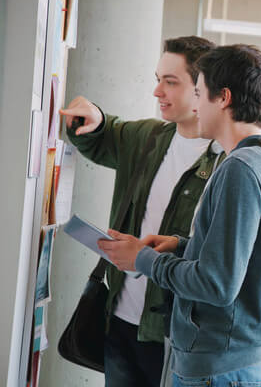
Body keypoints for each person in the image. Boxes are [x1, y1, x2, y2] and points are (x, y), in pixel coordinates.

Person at [98, 44, 261, 387]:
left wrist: (143, 261)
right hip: (231, 363)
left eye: (199, 93)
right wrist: (183, 246)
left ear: (223, 98)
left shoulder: (240, 169)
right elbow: (241, 260)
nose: (195, 105)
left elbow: (217, 284)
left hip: (220, 368)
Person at [60, 36, 220, 387]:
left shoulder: (228, 163)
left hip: (176, 337)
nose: (157, 91)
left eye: (170, 82)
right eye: (158, 78)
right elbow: (105, 134)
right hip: (118, 322)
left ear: (201, 89)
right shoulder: (148, 137)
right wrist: (95, 117)